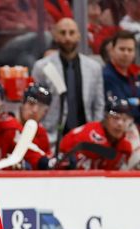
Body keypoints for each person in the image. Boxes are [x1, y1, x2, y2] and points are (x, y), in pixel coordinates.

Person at [31, 18, 105, 146]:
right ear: (55, 35)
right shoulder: (41, 67)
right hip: (52, 137)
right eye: (63, 33)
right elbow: (35, 105)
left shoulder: (94, 67)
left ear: (79, 36)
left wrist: (95, 132)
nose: (67, 38)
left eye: (71, 33)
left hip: (86, 137)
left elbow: (99, 104)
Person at [58, 96, 132, 169]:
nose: (120, 124)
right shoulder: (91, 134)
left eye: (125, 119)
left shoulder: (125, 147)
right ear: (105, 118)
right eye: (115, 118)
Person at [102, 30, 140, 127]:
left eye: (130, 50)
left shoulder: (135, 75)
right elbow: (117, 106)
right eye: (122, 49)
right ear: (112, 50)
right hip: (118, 128)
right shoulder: (106, 76)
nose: (126, 53)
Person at [18, 83, 55, 169]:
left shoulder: (41, 133)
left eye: (41, 107)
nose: (35, 110)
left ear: (45, 112)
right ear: (22, 103)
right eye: (31, 103)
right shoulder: (9, 127)